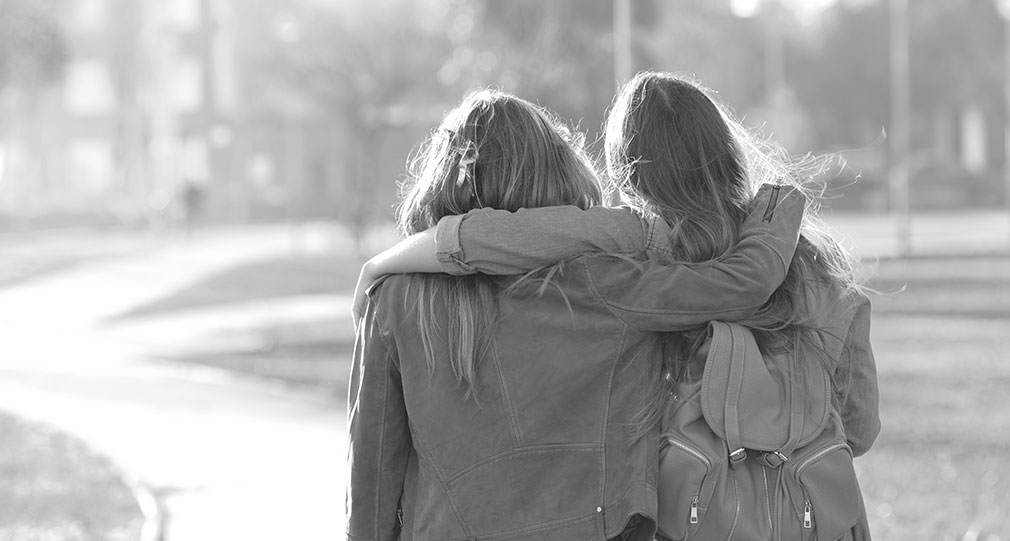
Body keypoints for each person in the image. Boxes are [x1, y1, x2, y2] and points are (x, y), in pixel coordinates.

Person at [352, 73, 879, 539]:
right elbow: (859, 428)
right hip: (815, 514)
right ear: (728, 150)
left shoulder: (624, 259)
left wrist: (390, 262)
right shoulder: (813, 272)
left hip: (696, 519)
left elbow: (374, 474)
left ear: (630, 172)